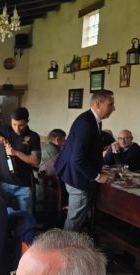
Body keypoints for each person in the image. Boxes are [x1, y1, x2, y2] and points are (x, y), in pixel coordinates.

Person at [54, 90, 115, 232]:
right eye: (110, 104)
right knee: (73, 223)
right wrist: (98, 177)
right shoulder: (86, 123)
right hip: (77, 178)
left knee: (75, 220)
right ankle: (64, 252)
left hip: (77, 175)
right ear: (98, 104)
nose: (113, 108)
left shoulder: (92, 120)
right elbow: (78, 159)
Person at [0, 107, 41, 213]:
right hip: (2, 182)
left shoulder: (33, 136)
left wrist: (15, 153)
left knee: (26, 217)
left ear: (27, 122)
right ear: (11, 121)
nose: (17, 128)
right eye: (14, 124)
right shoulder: (5, 130)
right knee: (1, 215)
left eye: (21, 125)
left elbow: (36, 160)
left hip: (23, 185)